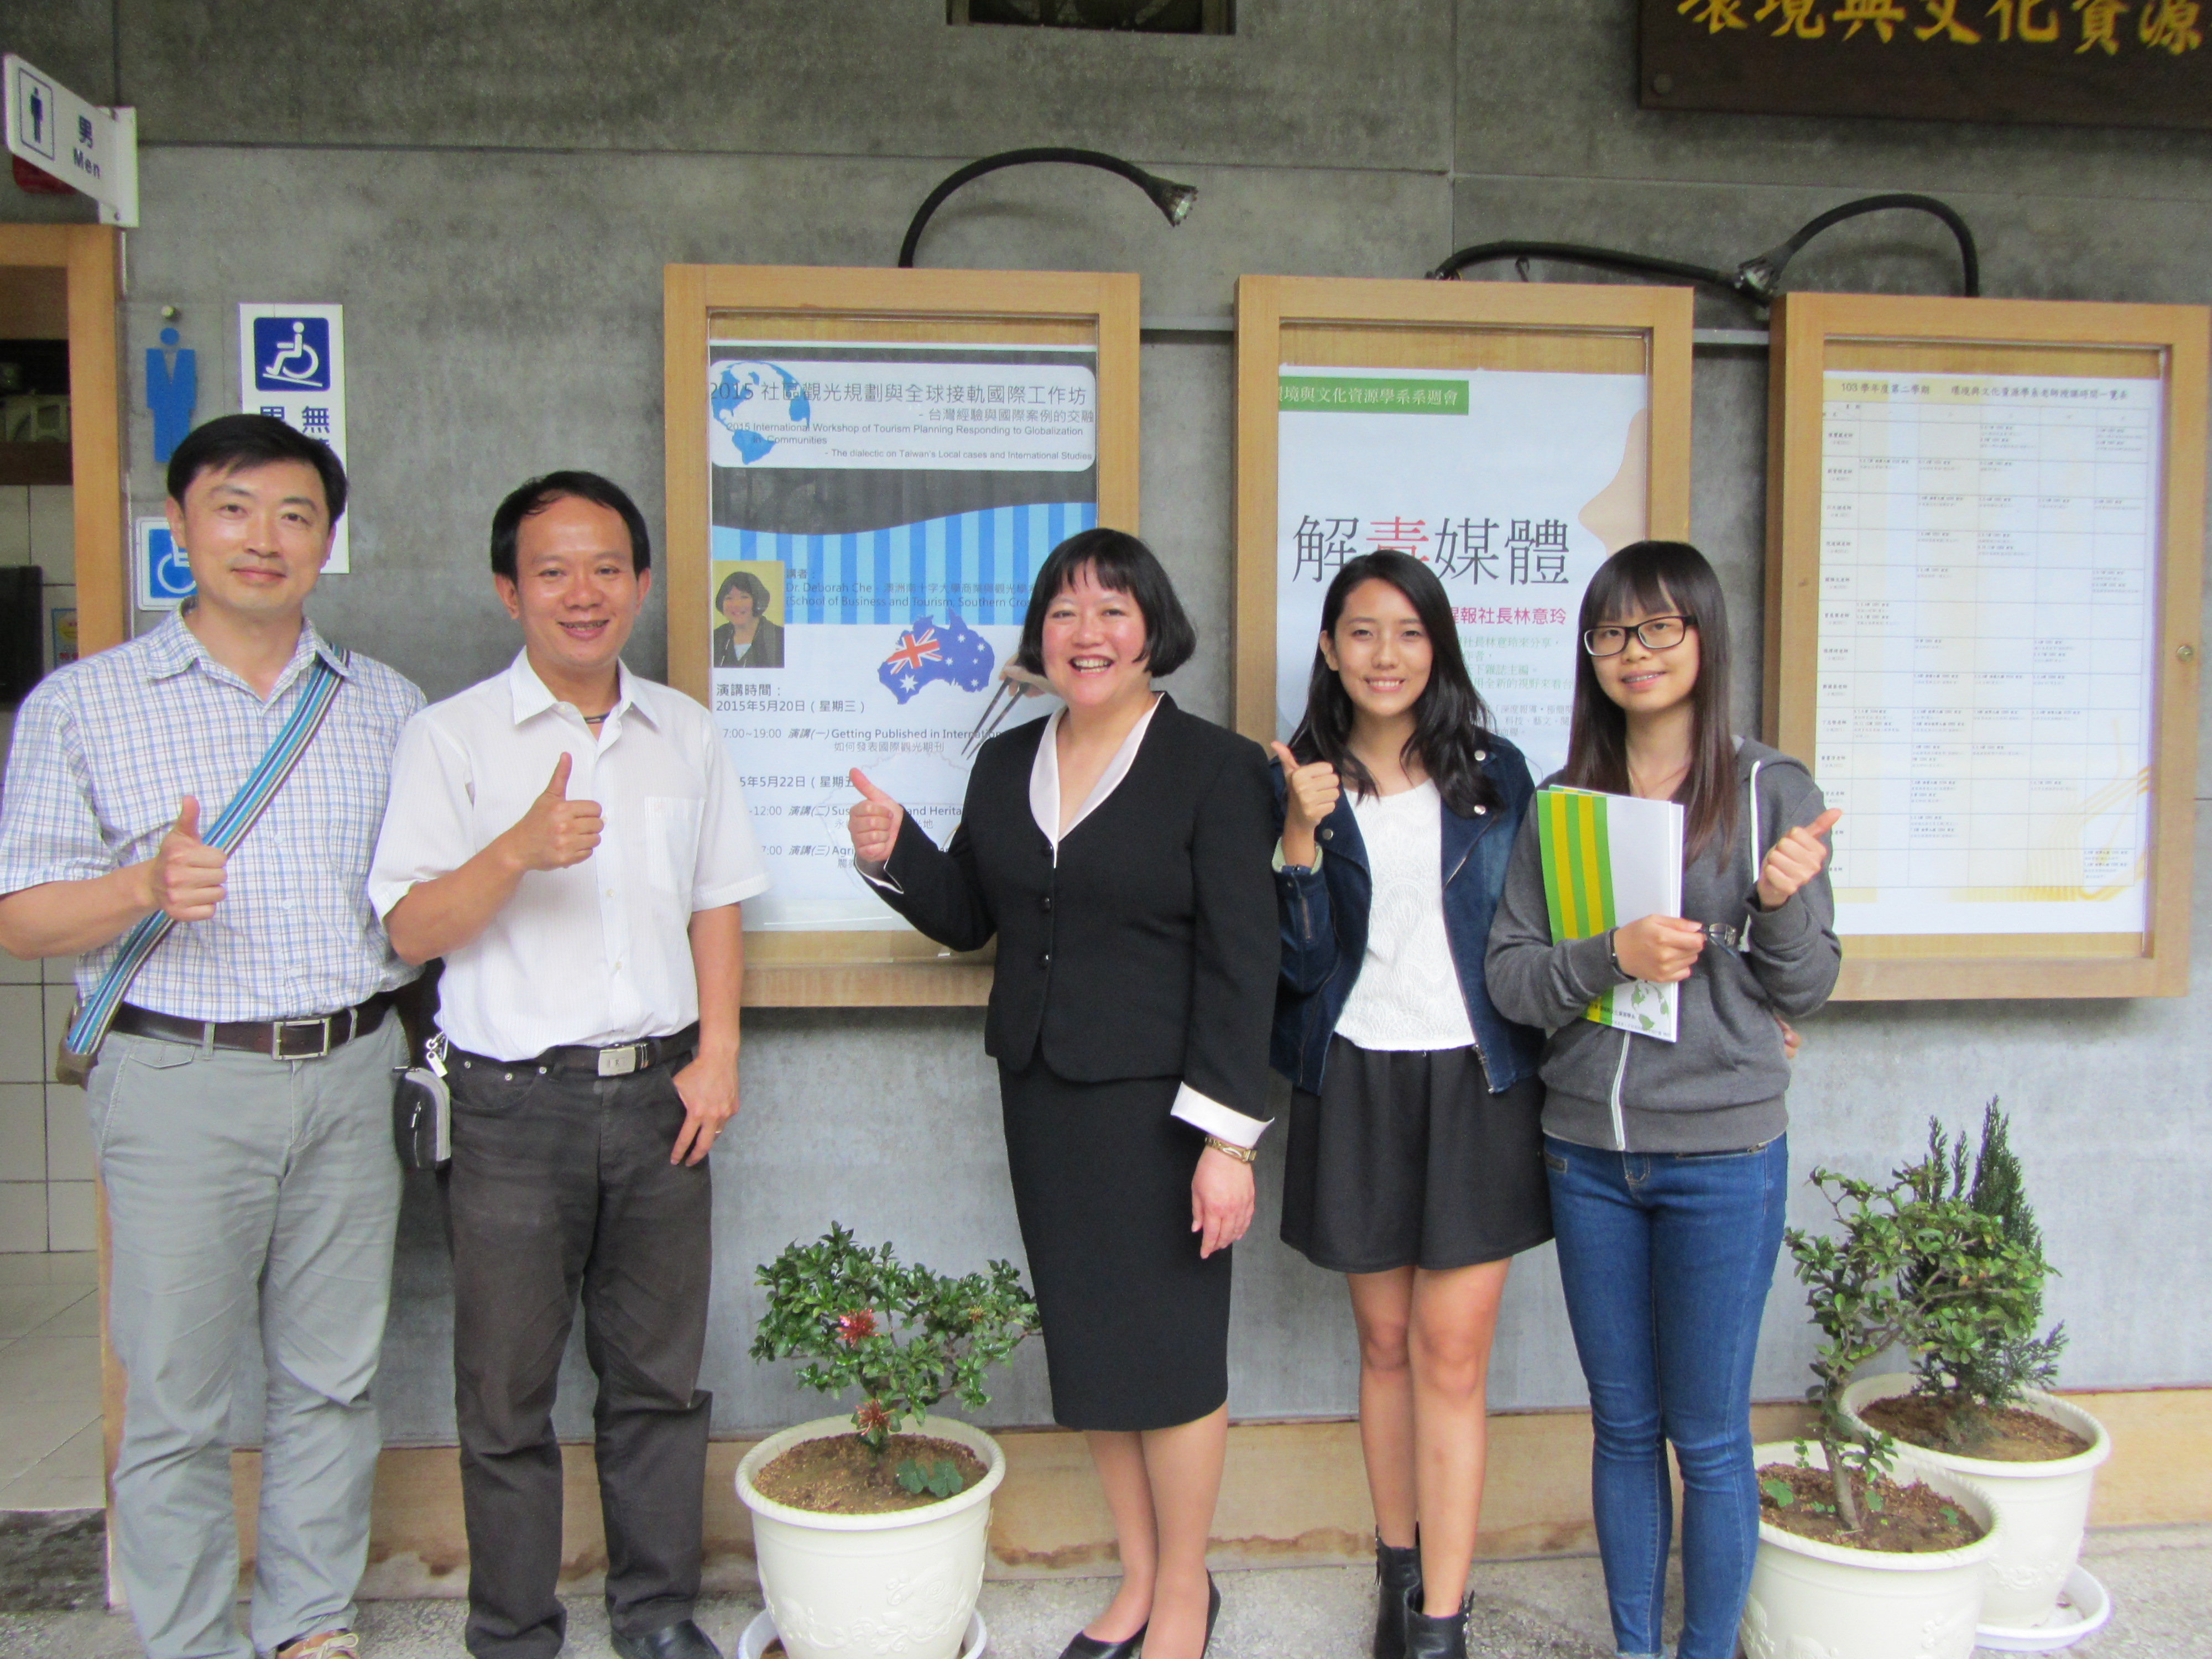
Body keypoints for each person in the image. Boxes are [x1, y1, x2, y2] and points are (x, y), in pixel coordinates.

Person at [0, 414, 421, 1659]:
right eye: (233, 509)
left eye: (296, 515)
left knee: (333, 1379)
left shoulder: (386, 704)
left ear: (328, 541)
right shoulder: (82, 704)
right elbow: (20, 916)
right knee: (177, 1396)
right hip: (177, 1072)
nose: (264, 538)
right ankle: (186, 1640)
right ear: (179, 526)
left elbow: (424, 898)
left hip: (352, 1066)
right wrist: (141, 887)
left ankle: (308, 1625)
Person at [845, 528, 1274, 1659]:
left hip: (1168, 1115)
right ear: (1041, 634)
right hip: (1043, 1099)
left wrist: (1228, 1142)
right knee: (1093, 1354)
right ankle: (1137, 1579)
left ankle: (1184, 1594)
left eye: (1113, 610)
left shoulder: (1217, 769)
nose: (1087, 633)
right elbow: (972, 918)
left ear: (1153, 630)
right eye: (1066, 612)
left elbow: (1245, 966)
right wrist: (893, 854)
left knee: (1174, 1361)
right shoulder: (1005, 765)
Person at [368, 472, 769, 1659]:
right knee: (505, 1395)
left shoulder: (685, 731)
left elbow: (716, 902)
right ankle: (513, 1634)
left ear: (640, 584)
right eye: (552, 571)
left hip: (662, 1098)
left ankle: (656, 1616)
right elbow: (410, 929)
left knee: (658, 1384)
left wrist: (719, 1053)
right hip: (508, 1108)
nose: (581, 594)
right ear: (510, 591)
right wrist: (514, 852)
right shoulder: (449, 738)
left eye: (605, 569)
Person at [1484, 541, 1841, 1659]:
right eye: (1610, 632)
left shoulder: (1770, 790)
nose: (1632, 652)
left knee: (1709, 1435)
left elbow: (1807, 987)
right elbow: (1511, 978)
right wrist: (1612, 955)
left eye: (1656, 628)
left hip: (1722, 1159)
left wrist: (1778, 904)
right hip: (1585, 1153)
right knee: (1623, 1425)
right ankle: (1636, 1647)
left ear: (1702, 636)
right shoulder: (1561, 803)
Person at [1269, 551, 1552, 1659]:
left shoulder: (1496, 774)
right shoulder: (1298, 776)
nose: (1384, 655)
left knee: (1450, 1355)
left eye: (1408, 632)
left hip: (1478, 1079)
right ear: (1329, 648)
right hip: (1356, 1075)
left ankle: (1442, 1619)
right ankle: (1397, 1573)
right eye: (1361, 631)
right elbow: (1297, 970)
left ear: (1438, 647)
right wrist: (1298, 837)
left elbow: (1540, 934)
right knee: (1384, 1344)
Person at [710, 568, 784, 668]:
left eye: (744, 597)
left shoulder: (779, 638)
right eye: (729, 598)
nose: (736, 605)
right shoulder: (715, 638)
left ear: (757, 600)